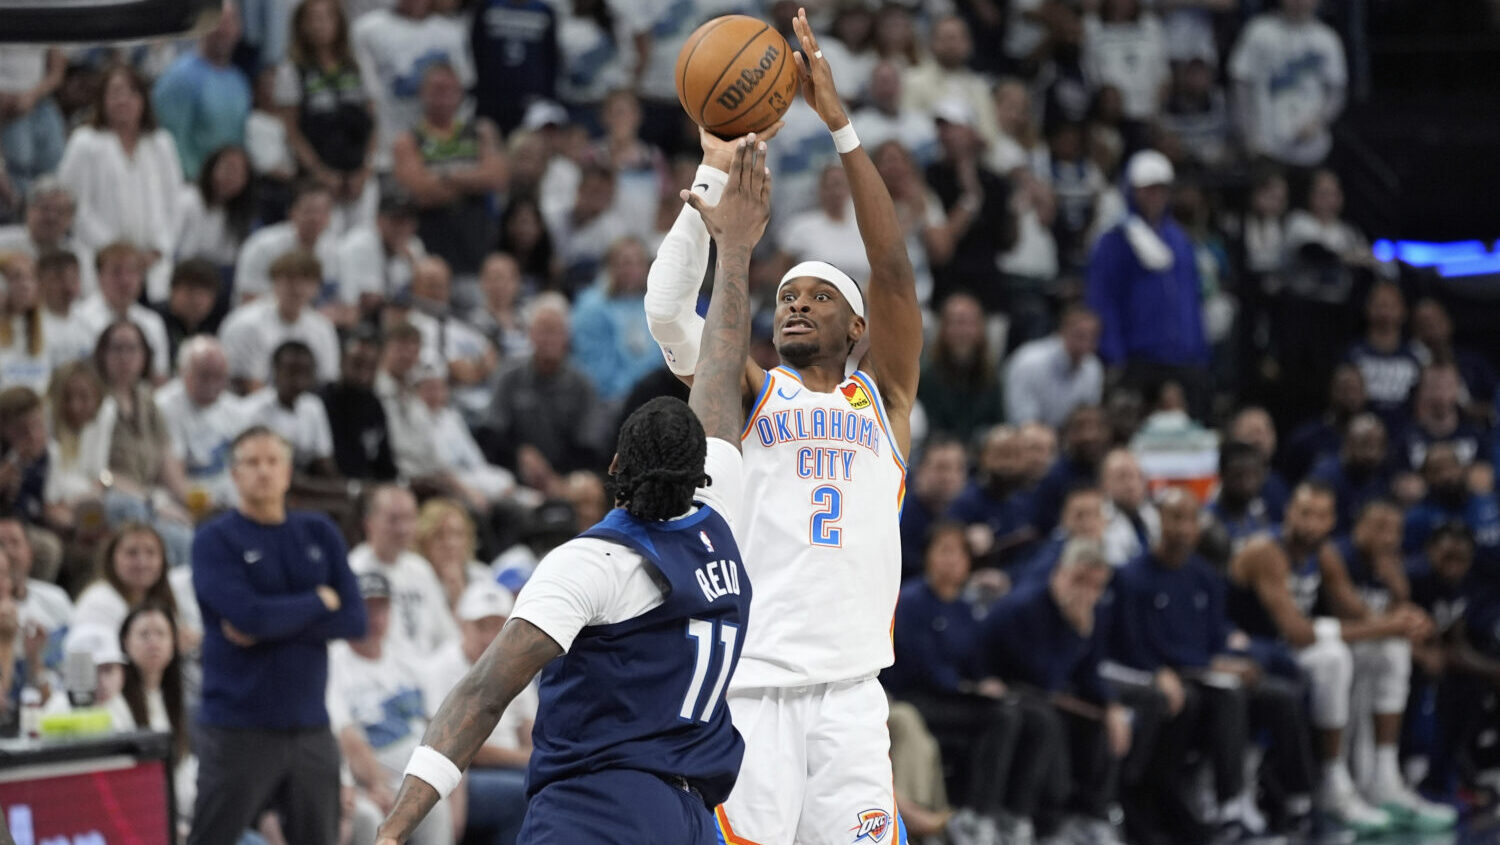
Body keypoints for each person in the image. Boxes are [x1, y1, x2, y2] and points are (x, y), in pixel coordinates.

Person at [373, 132, 766, 845]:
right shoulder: (720, 518)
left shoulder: (593, 563)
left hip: (596, 809)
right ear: (702, 472)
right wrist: (736, 249)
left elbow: (483, 693)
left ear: (615, 462)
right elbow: (720, 361)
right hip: (692, 818)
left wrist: (396, 825)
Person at [647, 16, 923, 843]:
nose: (796, 301)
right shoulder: (751, 392)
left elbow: (896, 269)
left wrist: (839, 123)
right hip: (754, 684)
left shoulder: (885, 405)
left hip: (852, 691)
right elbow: (667, 311)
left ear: (858, 328)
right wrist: (711, 173)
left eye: (819, 295)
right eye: (787, 296)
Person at [1226, 482, 1449, 834]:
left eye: (1321, 515)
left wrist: (1399, 611)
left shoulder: (1325, 554)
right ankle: (1332, 781)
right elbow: (1294, 631)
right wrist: (1390, 624)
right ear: (1288, 514)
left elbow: (1358, 614)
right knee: (1334, 657)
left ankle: (1383, 777)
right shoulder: (1266, 551)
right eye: (1304, 513)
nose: (1312, 523)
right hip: (1252, 649)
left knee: (1390, 648)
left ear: (1332, 521)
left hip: (1289, 654)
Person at [188, 425, 366, 845]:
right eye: (251, 462)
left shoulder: (320, 531)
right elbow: (247, 617)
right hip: (237, 726)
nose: (263, 471)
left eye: (273, 461)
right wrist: (319, 601)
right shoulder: (214, 539)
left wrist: (270, 623)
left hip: (310, 726)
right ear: (233, 474)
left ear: (288, 472)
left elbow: (355, 621)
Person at [883, 522, 1033, 844]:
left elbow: (974, 663)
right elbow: (920, 668)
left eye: (959, 553)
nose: (952, 560)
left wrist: (985, 682)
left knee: (1022, 714)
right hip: (914, 697)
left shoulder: (965, 609)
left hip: (953, 699)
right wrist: (971, 690)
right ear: (928, 557)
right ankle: (976, 815)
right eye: (944, 551)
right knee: (1000, 716)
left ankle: (1006, 813)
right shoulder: (909, 601)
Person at [980, 539, 1129, 843]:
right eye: (1079, 580)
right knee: (1047, 720)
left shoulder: (1092, 611)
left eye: (1096, 586)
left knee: (1108, 720)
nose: (1086, 593)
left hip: (1047, 693)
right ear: (1059, 572)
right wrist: (1077, 632)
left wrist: (1112, 706)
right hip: (1002, 688)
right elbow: (1041, 675)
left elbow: (1089, 672)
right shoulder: (1025, 607)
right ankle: (1037, 819)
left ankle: (1092, 814)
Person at [330, 570, 456, 845]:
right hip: (367, 783)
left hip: (418, 780)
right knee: (372, 818)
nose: (374, 617)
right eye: (366, 608)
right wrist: (377, 784)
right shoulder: (334, 660)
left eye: (381, 607)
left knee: (437, 807)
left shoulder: (406, 657)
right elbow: (348, 739)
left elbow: (441, 725)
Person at [1086, 150, 1209, 418]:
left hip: (1183, 359)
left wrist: (1198, 349)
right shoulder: (1115, 240)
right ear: (1133, 191)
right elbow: (1102, 298)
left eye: (1161, 190)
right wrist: (1113, 352)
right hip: (1137, 358)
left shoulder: (1179, 240)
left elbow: (1191, 299)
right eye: (1148, 190)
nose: (1155, 197)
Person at [420, 581, 534, 845]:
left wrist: (535, 758)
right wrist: (526, 759)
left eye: (498, 626)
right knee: (523, 791)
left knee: (556, 783)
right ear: (462, 625)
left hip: (513, 764)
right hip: (460, 777)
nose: (490, 636)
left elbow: (531, 727)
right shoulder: (440, 667)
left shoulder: (515, 662)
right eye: (482, 626)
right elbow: (454, 747)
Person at [55, 65, 182, 300]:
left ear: (144, 99)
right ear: (102, 100)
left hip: (152, 263)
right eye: (115, 93)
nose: (123, 100)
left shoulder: (161, 143)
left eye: (131, 93)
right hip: (99, 258)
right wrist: (116, 252)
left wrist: (159, 248)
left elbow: (174, 204)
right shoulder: (85, 143)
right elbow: (72, 205)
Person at [391, 62, 507, 278]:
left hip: (475, 241)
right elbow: (419, 192)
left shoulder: (480, 132)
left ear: (460, 93)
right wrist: (473, 182)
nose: (442, 96)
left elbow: (497, 178)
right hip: (431, 239)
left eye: (449, 89)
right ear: (422, 93)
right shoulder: (408, 140)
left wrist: (444, 177)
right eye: (436, 89)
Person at [274, 0, 377, 230]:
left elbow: (373, 120)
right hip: (317, 175)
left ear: (339, 23)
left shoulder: (357, 65)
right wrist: (319, 173)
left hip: (358, 172)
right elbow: (291, 130)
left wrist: (366, 168)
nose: (320, 26)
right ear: (300, 25)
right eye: (313, 19)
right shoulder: (291, 70)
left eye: (326, 18)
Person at [485, 294, 604, 484]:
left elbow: (589, 446)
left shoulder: (582, 384)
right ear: (530, 334)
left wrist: (556, 478)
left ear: (566, 337)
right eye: (542, 331)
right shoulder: (509, 377)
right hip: (515, 474)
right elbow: (492, 433)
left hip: (568, 476)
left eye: (555, 331)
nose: (548, 339)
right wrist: (519, 453)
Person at [1228, 0, 1347, 168]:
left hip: (1311, 148)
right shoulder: (1259, 30)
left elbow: (1336, 91)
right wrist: (1247, 135)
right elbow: (1240, 85)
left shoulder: (1327, 38)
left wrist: (1318, 122)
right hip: (1265, 146)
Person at [348, 485, 459, 656]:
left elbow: (446, 635)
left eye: (409, 518)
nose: (403, 529)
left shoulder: (420, 568)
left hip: (427, 672)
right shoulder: (354, 569)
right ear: (369, 523)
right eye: (393, 519)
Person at [152, 3, 252, 181]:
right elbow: (173, 142)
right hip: (190, 188)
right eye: (219, 22)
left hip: (227, 192)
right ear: (202, 27)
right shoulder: (179, 78)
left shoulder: (239, 80)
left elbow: (238, 140)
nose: (225, 30)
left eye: (231, 22)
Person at [220, 249, 341, 391]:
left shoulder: (323, 328)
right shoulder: (245, 323)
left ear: (317, 288)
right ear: (274, 282)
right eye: (290, 280)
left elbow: (327, 382)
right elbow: (248, 385)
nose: (298, 289)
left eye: (306, 281)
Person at [74, 242, 172, 379]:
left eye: (132, 272)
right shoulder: (79, 318)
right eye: (116, 272)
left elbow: (159, 375)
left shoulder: (153, 322)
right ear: (99, 277)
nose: (125, 280)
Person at [948, 425, 1039, 573]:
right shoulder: (965, 502)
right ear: (984, 457)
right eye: (1001, 454)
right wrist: (965, 539)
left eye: (1015, 455)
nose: (1008, 464)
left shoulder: (1032, 500)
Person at [232, 181, 340, 305]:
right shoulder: (262, 245)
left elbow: (347, 306)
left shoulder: (336, 249)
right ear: (292, 212)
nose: (315, 218)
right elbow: (248, 298)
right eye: (309, 210)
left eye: (322, 211)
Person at [917, 291, 1004, 443]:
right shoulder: (925, 377)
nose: (963, 332)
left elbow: (998, 425)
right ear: (943, 329)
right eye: (957, 323)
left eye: (969, 323)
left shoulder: (992, 377)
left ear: (981, 328)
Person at [1005, 305, 1104, 429]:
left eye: (1093, 338)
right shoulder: (1028, 361)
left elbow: (1087, 417)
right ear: (1062, 332)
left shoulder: (1093, 367)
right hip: (1027, 437)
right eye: (1080, 336)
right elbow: (1022, 419)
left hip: (1068, 439)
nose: (1086, 344)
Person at [73, 522, 179, 638]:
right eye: (132, 553)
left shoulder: (166, 599)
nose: (142, 563)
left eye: (151, 553)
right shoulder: (97, 603)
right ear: (111, 559)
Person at [321, 330, 399, 482]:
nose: (364, 372)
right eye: (357, 363)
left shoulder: (375, 406)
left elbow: (385, 465)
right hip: (332, 491)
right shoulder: (320, 402)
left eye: (371, 366)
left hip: (369, 490)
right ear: (342, 360)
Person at [1344, 281, 1421, 429]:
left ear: (1403, 311)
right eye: (1379, 305)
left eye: (1391, 305)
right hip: (1361, 431)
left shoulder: (1416, 355)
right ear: (1367, 309)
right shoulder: (1353, 353)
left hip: (1404, 431)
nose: (1385, 311)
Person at [337, 195, 424, 319]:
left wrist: (413, 265)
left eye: (408, 222)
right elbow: (363, 301)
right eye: (396, 221)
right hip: (359, 320)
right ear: (379, 220)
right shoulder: (357, 245)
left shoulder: (413, 247)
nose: (403, 228)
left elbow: (424, 295)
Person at [174, 146, 257, 275]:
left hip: (219, 279)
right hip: (182, 273)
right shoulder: (187, 200)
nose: (231, 177)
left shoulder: (245, 215)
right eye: (228, 169)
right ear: (212, 167)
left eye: (239, 173)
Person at [1308, 414, 1395, 533]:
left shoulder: (1381, 478)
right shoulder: (1325, 476)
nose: (1372, 453)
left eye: (1379, 445)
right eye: (1365, 444)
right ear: (1348, 443)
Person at [898, 437, 969, 578]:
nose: (949, 477)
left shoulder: (964, 511)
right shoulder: (900, 513)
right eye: (941, 468)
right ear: (920, 471)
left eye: (958, 469)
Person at [153, 259, 226, 366]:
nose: (197, 300)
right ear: (173, 290)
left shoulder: (217, 324)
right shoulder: (154, 320)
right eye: (190, 291)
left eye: (204, 294)